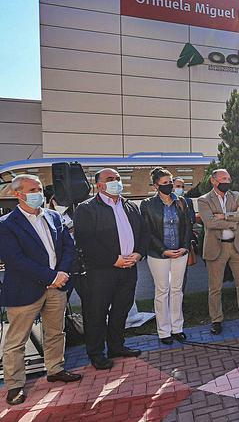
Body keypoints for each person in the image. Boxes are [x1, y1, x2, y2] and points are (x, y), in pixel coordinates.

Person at [0, 175, 81, 405]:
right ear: (18, 194)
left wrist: (61, 273)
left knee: (56, 331)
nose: (39, 193)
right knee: (16, 341)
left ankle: (55, 369)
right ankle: (15, 386)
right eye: (33, 189)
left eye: (39, 188)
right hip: (26, 290)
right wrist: (51, 276)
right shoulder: (6, 224)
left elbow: (68, 247)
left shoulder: (54, 217)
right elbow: (15, 259)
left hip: (57, 287)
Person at [73, 168, 148, 370]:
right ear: (99, 185)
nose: (116, 181)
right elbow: (86, 241)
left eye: (117, 178)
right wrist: (113, 259)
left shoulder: (130, 206)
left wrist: (139, 253)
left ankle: (116, 346)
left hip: (129, 268)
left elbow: (142, 233)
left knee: (121, 309)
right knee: (96, 313)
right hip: (101, 272)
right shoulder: (86, 208)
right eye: (110, 179)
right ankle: (96, 353)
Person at [198, 169, 239, 334]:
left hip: (237, 247)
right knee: (215, 288)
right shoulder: (204, 200)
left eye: (228, 178)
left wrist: (224, 216)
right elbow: (210, 223)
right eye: (223, 178)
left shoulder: (236, 196)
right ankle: (216, 320)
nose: (227, 181)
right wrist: (233, 221)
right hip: (216, 249)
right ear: (213, 180)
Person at [141, 168, 193, 345]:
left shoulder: (181, 202)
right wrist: (163, 250)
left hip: (180, 253)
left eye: (170, 182)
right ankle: (164, 331)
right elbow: (147, 232)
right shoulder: (147, 204)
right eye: (165, 183)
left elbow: (187, 226)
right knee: (162, 291)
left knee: (177, 290)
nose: (169, 186)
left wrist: (185, 247)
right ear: (156, 186)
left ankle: (177, 328)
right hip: (158, 255)